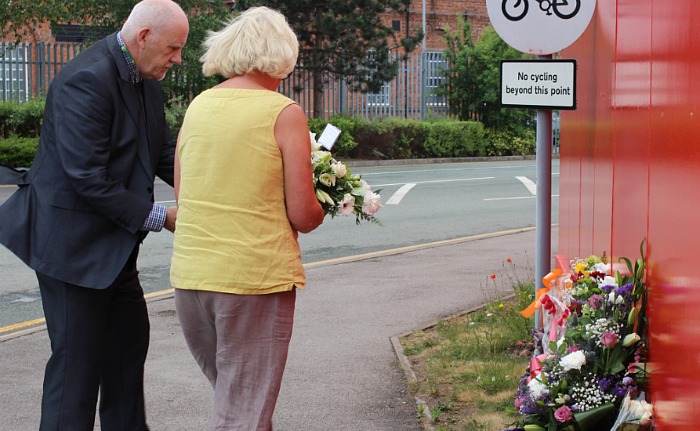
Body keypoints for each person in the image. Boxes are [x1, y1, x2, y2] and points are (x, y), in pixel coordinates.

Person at [0, 0, 189, 429]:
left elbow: (161, 154)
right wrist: (163, 216)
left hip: (115, 250)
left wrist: (218, 192)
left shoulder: (147, 79)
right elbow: (87, 177)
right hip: (71, 252)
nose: (178, 59)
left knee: (126, 362)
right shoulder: (85, 80)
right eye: (173, 48)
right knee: (76, 376)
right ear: (143, 37)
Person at [170, 6, 325, 430]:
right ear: (282, 56)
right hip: (252, 280)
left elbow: (185, 196)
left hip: (191, 279)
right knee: (243, 413)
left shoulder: (199, 106)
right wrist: (324, 203)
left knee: (238, 401)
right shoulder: (282, 112)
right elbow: (303, 214)